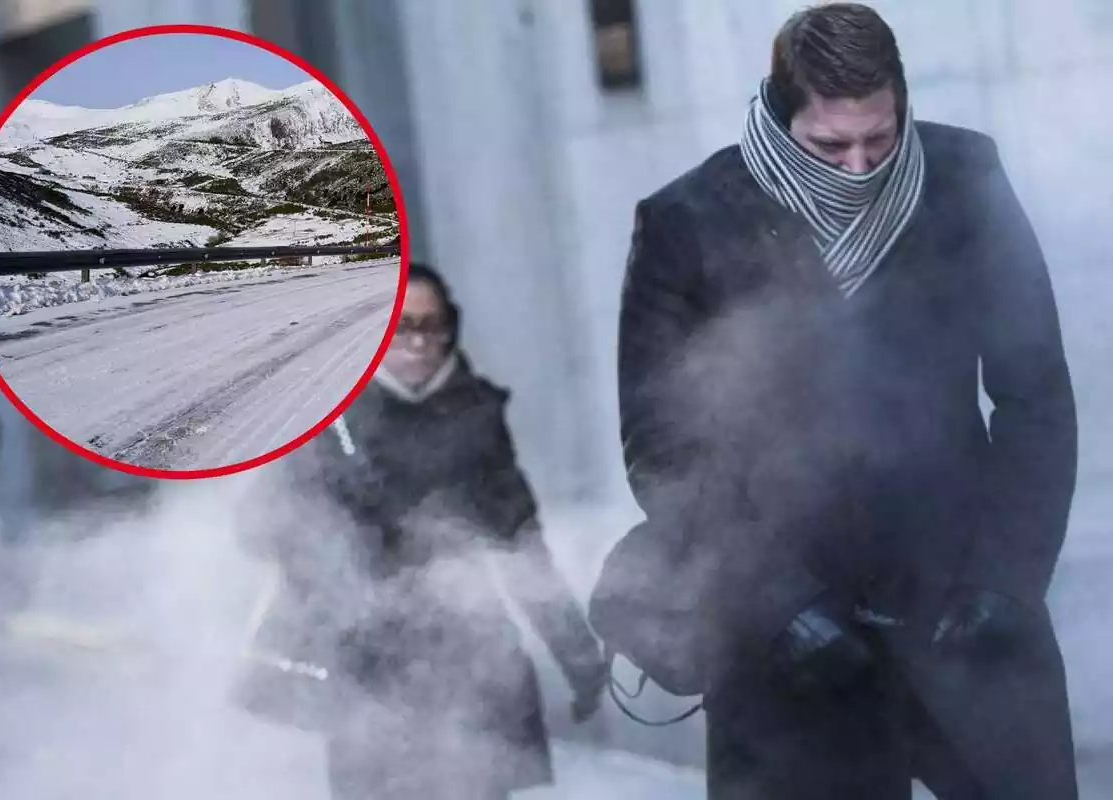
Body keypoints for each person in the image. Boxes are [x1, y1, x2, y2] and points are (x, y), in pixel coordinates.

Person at [593, 4, 1079, 799]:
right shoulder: (687, 220)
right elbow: (665, 448)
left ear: (901, 102)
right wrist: (778, 605)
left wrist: (1006, 577)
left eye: (880, 139)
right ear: (783, 117)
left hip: (962, 608)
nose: (858, 168)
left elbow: (1035, 396)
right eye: (829, 145)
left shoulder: (965, 178)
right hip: (784, 630)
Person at [240, 263, 609, 799]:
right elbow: (255, 529)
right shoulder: (323, 417)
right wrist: (326, 535)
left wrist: (578, 656)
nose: (418, 342)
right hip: (367, 672)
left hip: (474, 664)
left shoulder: (477, 414)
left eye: (431, 326)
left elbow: (520, 541)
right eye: (401, 327)